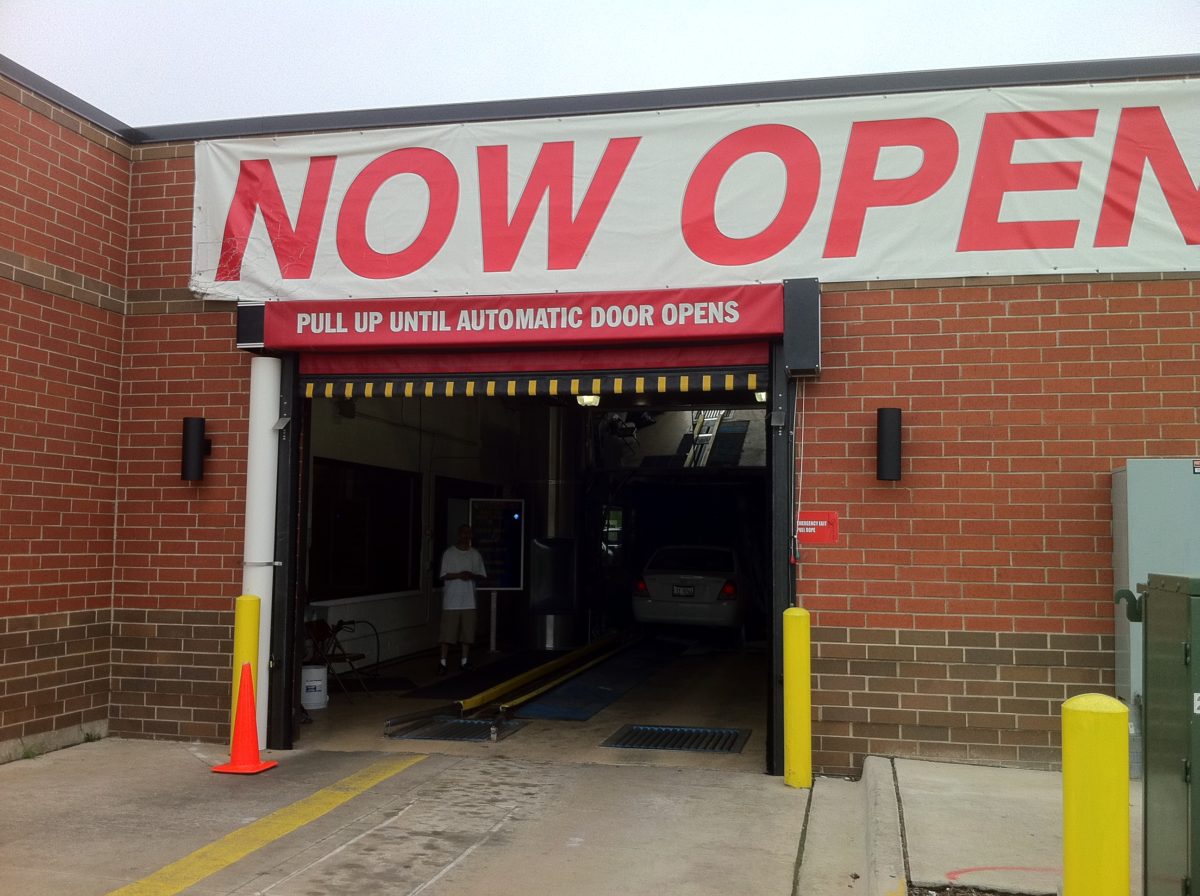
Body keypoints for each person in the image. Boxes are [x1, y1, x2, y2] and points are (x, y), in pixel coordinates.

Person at [438, 524, 487, 674]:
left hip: (468, 600)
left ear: (471, 536)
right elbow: (443, 575)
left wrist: (470, 575)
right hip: (452, 601)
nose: (466, 536)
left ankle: (464, 661)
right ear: (459, 535)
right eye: (464, 533)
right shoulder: (449, 553)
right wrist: (459, 575)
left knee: (467, 634)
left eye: (469, 534)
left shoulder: (475, 554)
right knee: (447, 635)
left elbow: (482, 576)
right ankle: (442, 663)